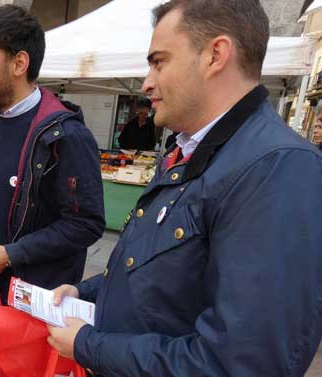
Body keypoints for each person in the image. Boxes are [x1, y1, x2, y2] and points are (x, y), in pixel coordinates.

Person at [47, 1, 322, 376]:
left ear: (215, 56)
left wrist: (89, 346)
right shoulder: (191, 151)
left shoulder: (276, 167)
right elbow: (163, 275)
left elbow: (241, 365)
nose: (146, 82)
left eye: (159, 62)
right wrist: (89, 292)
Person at [0, 5, 105, 306]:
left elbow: (86, 224)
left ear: (19, 63)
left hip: (31, 302)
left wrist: (12, 254)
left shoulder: (67, 136)